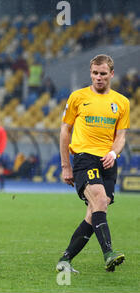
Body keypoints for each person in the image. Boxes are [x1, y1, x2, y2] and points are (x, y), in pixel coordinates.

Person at [57, 54, 130, 273]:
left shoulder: (122, 102)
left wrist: (113, 154)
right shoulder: (78, 97)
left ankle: (65, 260)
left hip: (107, 161)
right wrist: (65, 165)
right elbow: (64, 130)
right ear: (90, 73)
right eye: (95, 73)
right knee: (99, 198)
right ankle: (109, 253)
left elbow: (121, 136)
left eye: (103, 74)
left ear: (112, 74)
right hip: (84, 158)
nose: (98, 77)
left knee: (96, 210)